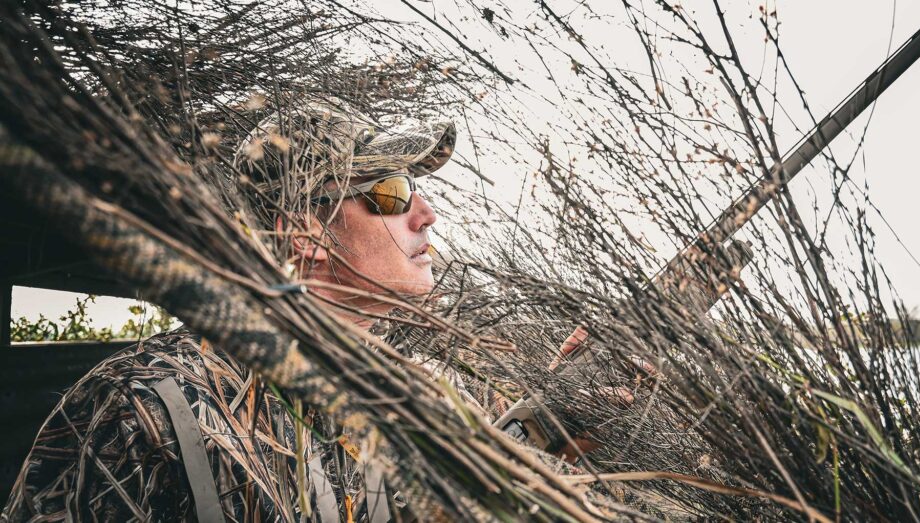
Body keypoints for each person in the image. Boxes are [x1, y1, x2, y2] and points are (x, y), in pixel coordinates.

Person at [1, 99, 536, 522]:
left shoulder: (420, 387)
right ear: (306, 232)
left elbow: (520, 471)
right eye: (391, 192)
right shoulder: (148, 404)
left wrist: (572, 406)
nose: (427, 214)